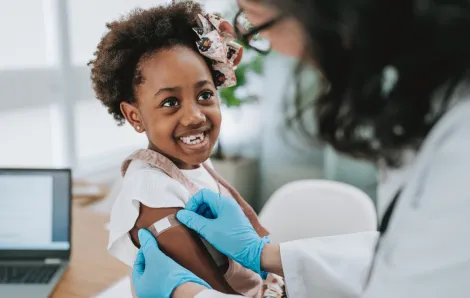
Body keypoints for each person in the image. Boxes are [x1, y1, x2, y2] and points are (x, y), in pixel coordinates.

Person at [131, 0, 470, 297]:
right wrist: (263, 254)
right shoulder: (429, 104)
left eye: (258, 24)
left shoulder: (458, 153)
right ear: (134, 116)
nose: (276, 49)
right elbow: (392, 259)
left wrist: (189, 296)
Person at [88, 2, 284, 297]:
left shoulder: (191, 162)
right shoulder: (153, 190)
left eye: (205, 95)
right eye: (170, 102)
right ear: (134, 116)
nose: (194, 116)